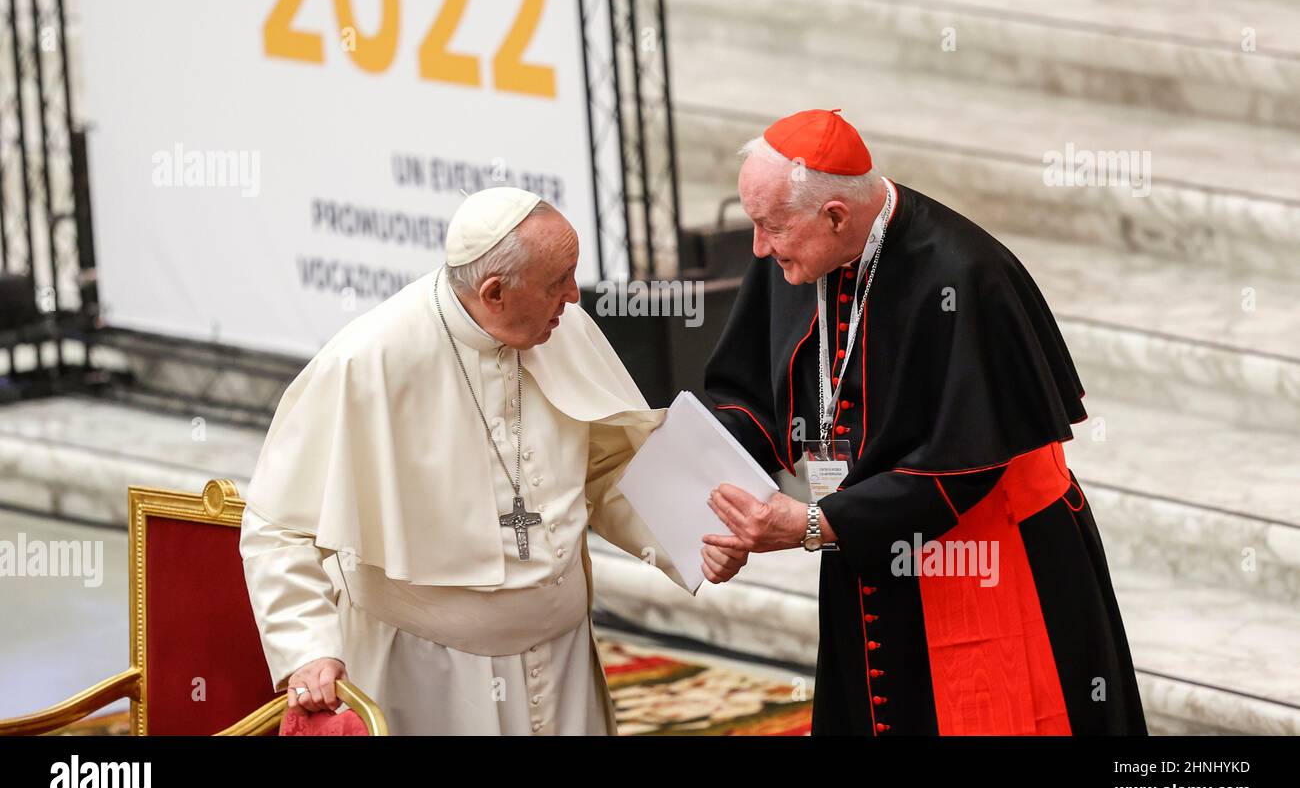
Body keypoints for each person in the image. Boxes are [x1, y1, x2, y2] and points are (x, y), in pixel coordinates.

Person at [701, 108, 1146, 735]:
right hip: (865, 548)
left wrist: (812, 522)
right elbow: (748, 396)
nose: (757, 247)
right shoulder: (793, 252)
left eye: (769, 227)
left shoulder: (967, 275)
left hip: (989, 556)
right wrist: (718, 509)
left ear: (835, 217)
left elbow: (961, 471)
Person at [239, 187, 748, 735]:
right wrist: (308, 648)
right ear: (495, 291)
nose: (575, 296)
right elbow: (277, 526)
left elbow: (606, 468)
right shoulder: (368, 360)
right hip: (430, 671)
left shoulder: (561, 329)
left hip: (561, 659)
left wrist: (692, 540)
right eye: (559, 282)